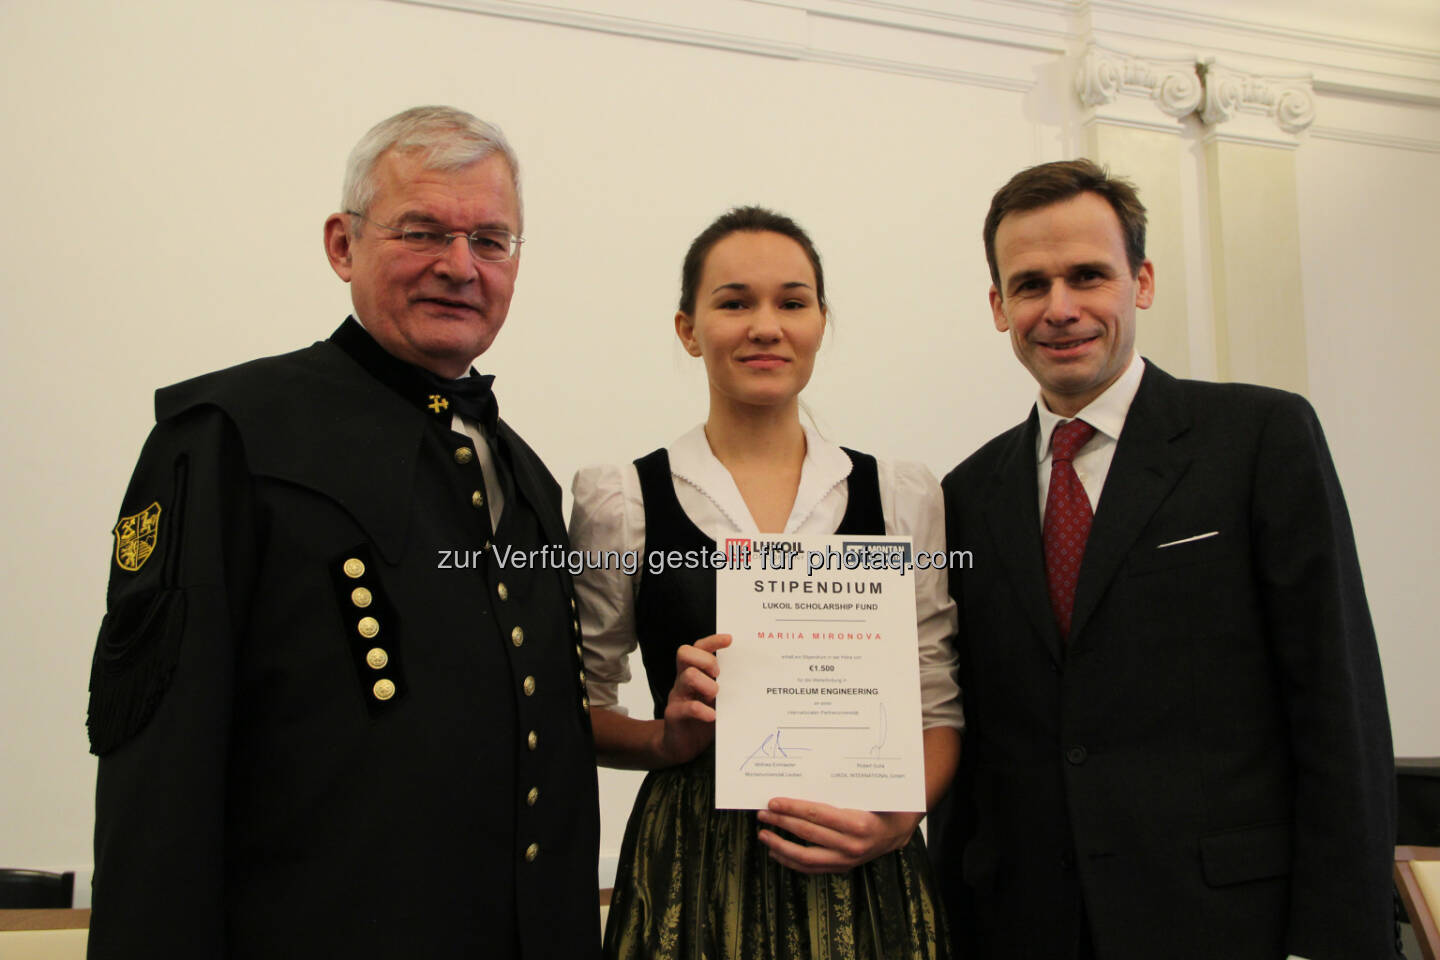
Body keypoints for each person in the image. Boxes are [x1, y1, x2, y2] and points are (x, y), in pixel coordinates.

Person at [86, 106, 600, 959]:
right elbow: (157, 780)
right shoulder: (228, 438)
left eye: (491, 241)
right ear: (341, 244)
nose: (459, 267)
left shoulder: (530, 478)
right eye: (423, 231)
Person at [926, 159, 1395, 960]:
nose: (1061, 308)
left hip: (1230, 926)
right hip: (1027, 927)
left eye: (1088, 276)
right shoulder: (965, 492)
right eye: (1032, 284)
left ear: (1140, 282)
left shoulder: (1258, 439)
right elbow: (977, 741)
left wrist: (1340, 938)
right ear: (1000, 306)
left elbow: (1335, 703)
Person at [569, 206, 963, 960]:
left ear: (821, 320)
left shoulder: (901, 494)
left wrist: (899, 816)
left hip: (862, 851)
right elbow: (577, 704)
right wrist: (664, 737)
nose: (765, 325)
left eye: (791, 301)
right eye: (733, 302)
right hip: (691, 860)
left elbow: (936, 696)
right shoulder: (624, 500)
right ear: (688, 329)